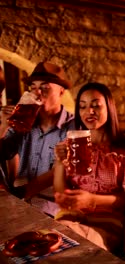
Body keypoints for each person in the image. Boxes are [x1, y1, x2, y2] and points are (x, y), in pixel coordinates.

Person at [53, 82, 125, 253]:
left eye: (95, 106)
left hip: (110, 219)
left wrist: (92, 200)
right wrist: (58, 162)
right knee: (54, 243)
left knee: (84, 248)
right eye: (82, 107)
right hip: (72, 216)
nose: (89, 112)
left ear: (109, 108)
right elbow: (61, 192)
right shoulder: (71, 144)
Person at [0, 61, 74, 216]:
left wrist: (19, 193)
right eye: (33, 88)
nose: (37, 93)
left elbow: (63, 171)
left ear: (61, 91)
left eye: (45, 87)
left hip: (54, 207)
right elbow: (3, 154)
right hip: (21, 204)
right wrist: (3, 126)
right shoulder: (24, 120)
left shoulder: (74, 127)